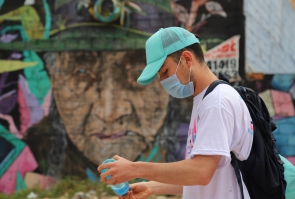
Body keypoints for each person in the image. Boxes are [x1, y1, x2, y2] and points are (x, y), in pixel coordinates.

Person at [97, 26, 253, 199]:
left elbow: (201, 172)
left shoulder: (216, 103)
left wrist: (134, 169)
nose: (163, 81)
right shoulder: (206, 98)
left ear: (187, 59)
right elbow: (204, 176)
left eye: (165, 71)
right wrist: (152, 187)